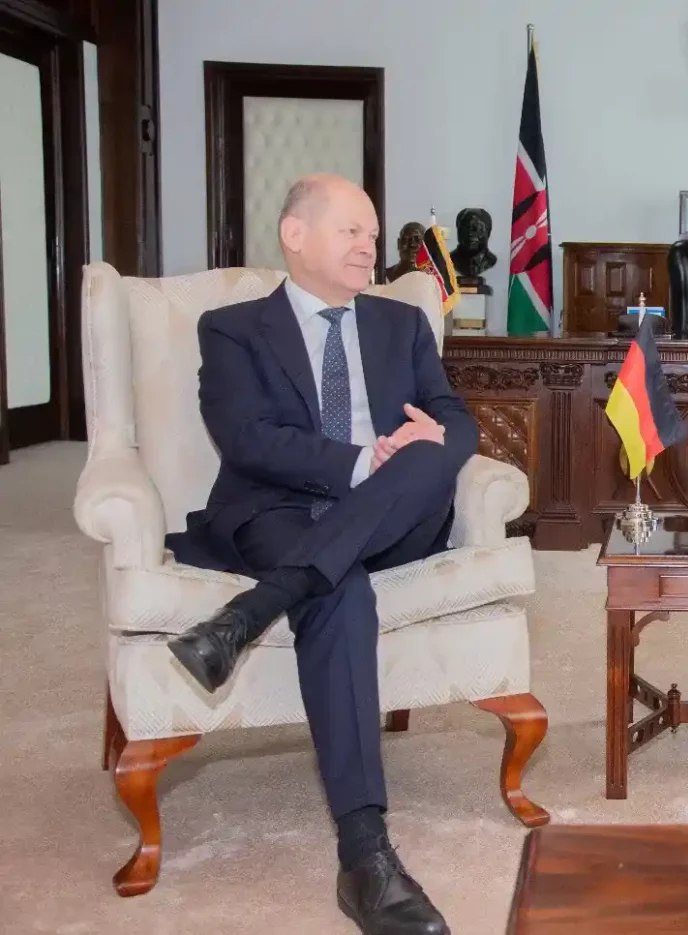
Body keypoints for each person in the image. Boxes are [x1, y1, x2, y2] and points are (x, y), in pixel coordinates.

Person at [165, 174, 476, 934]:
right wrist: (363, 462)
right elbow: (247, 440)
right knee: (339, 590)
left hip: (395, 514)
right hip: (281, 511)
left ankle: (253, 609)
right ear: (294, 236)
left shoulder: (402, 325)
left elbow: (456, 422)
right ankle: (365, 856)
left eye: (373, 231)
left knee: (435, 452)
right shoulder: (232, 328)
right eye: (351, 229)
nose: (370, 244)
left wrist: (418, 447)